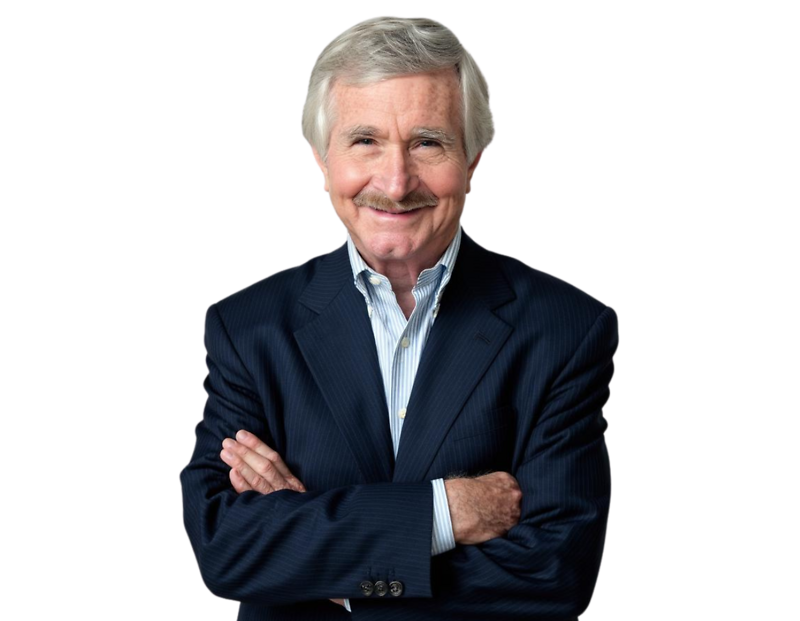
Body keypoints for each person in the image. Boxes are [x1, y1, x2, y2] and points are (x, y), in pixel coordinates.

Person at [180, 15, 619, 621]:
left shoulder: (566, 328)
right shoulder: (247, 327)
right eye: (365, 141)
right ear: (319, 159)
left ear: (474, 160)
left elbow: (554, 573)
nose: (395, 181)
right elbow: (225, 550)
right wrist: (444, 513)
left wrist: (326, 569)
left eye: (427, 142)